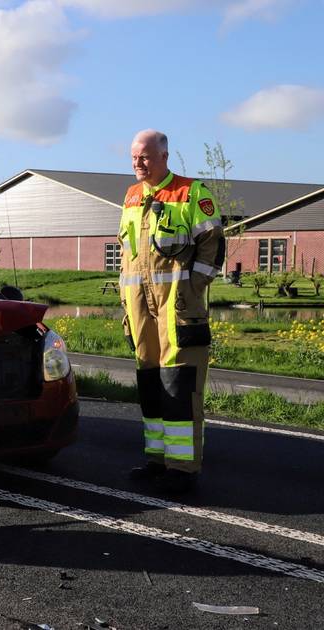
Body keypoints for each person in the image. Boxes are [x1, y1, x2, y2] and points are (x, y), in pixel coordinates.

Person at [120, 129, 225, 493]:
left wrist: (194, 288)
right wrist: (126, 302)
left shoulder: (191, 192)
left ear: (164, 156)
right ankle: (157, 460)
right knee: (150, 382)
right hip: (140, 307)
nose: (138, 163)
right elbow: (128, 255)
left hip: (178, 307)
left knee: (179, 383)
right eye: (134, 157)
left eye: (145, 157)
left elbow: (213, 244)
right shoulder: (132, 196)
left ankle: (183, 469)